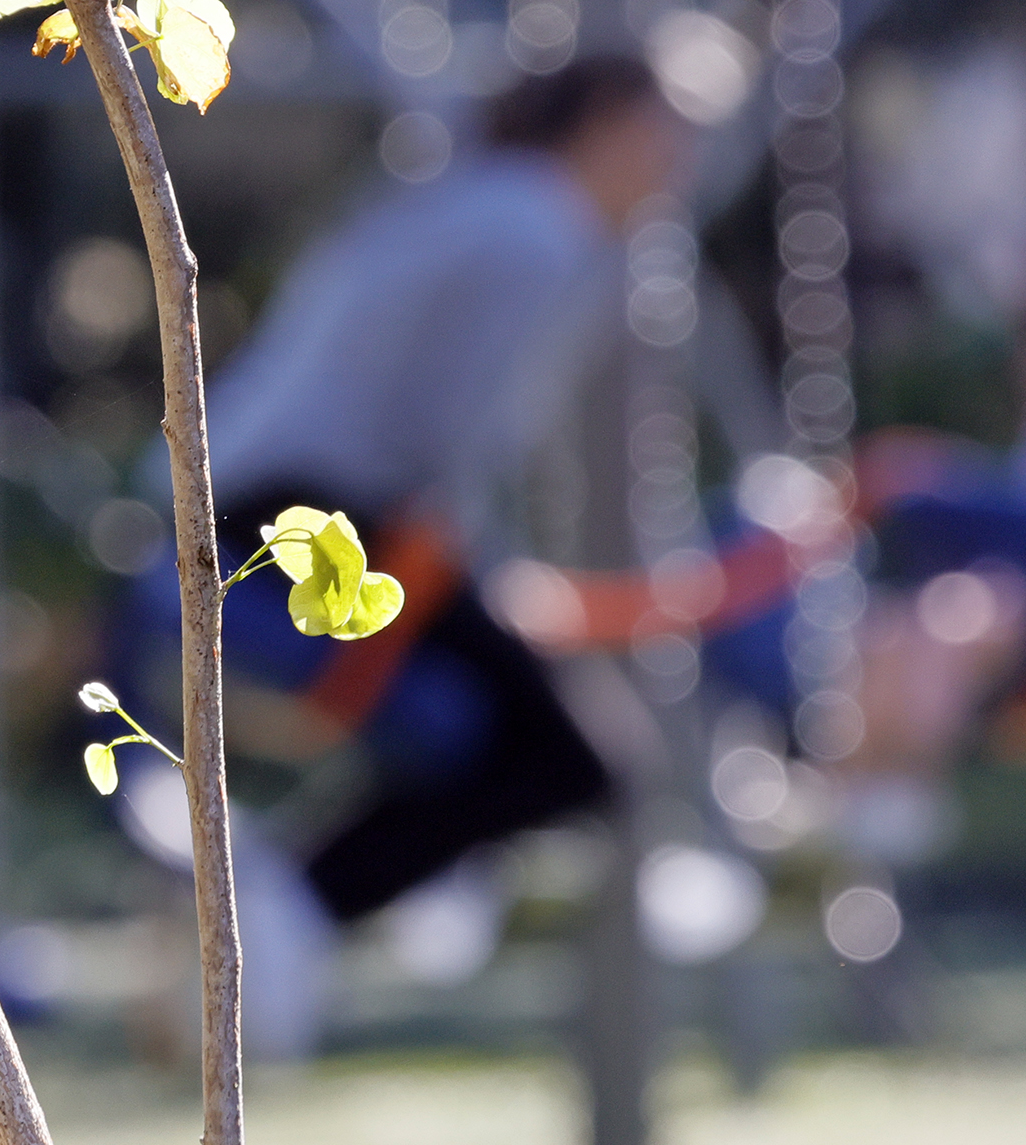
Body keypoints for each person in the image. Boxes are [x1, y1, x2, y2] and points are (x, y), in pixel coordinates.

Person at [116, 53, 690, 1054]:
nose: (679, 162)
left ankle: (294, 900)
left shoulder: (474, 199)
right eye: (665, 132)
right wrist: (478, 591)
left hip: (241, 496)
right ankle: (285, 900)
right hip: (307, 509)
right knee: (577, 757)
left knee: (514, 743)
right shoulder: (538, 229)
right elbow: (440, 446)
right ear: (603, 123)